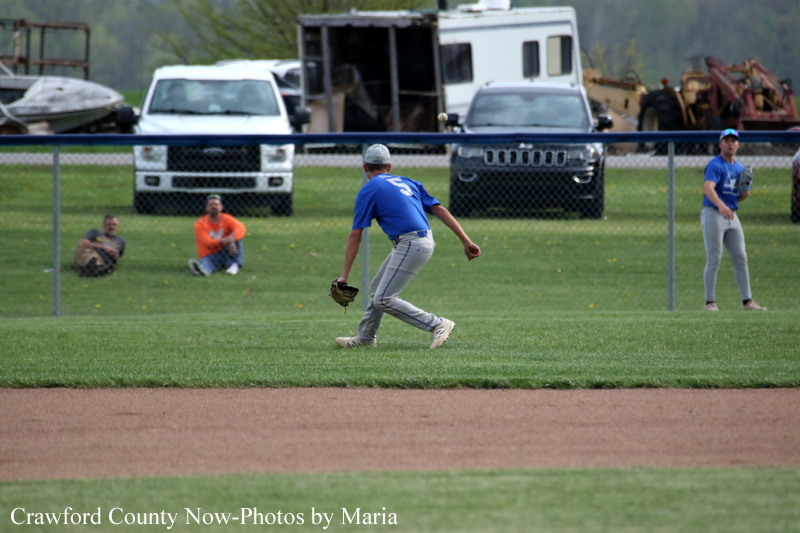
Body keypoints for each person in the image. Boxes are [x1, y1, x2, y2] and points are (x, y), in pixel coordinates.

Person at [334, 144, 481, 349]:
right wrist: (466, 241)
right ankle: (365, 339)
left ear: (365, 167)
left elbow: (356, 235)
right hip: (421, 240)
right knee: (378, 290)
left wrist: (344, 276)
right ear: (389, 166)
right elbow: (441, 211)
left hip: (411, 243)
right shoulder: (408, 182)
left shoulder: (368, 190)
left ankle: (437, 324)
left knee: (383, 299)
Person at [701, 129, 766, 311]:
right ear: (720, 144)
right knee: (714, 257)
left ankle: (747, 301)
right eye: (727, 140)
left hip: (730, 215)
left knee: (740, 257)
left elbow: (743, 195)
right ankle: (710, 303)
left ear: (738, 144)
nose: (730, 143)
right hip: (713, 213)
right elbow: (708, 188)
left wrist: (746, 186)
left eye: (734, 141)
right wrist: (722, 206)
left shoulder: (738, 168)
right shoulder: (716, 165)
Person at [189, 194, 246, 276]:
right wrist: (224, 241)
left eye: (216, 204)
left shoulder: (227, 218)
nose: (214, 206)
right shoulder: (200, 224)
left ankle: (234, 265)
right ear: (207, 208)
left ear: (221, 207)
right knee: (206, 263)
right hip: (210, 255)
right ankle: (202, 270)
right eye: (211, 205)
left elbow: (241, 228)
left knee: (236, 237)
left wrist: (232, 240)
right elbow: (207, 242)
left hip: (226, 252)